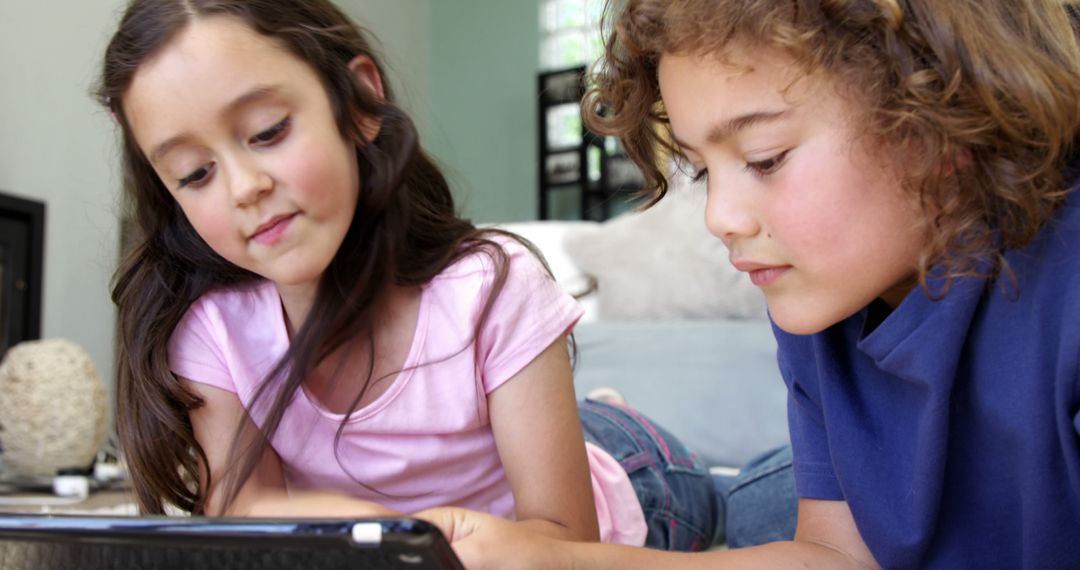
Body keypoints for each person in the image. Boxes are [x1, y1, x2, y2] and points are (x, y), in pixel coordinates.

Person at [418, 0, 1080, 567]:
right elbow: (836, 556)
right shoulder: (820, 295)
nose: (720, 219)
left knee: (756, 498)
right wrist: (559, 558)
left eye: (765, 159)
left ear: (941, 116)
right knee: (761, 503)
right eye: (703, 171)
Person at [96, 0, 717, 552]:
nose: (243, 188)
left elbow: (563, 543)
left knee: (736, 500)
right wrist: (390, 539)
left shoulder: (491, 287)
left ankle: (602, 420)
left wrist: (392, 539)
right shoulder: (213, 331)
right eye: (194, 173)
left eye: (268, 132)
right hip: (468, 511)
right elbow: (242, 519)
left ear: (360, 103)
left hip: (639, 484)